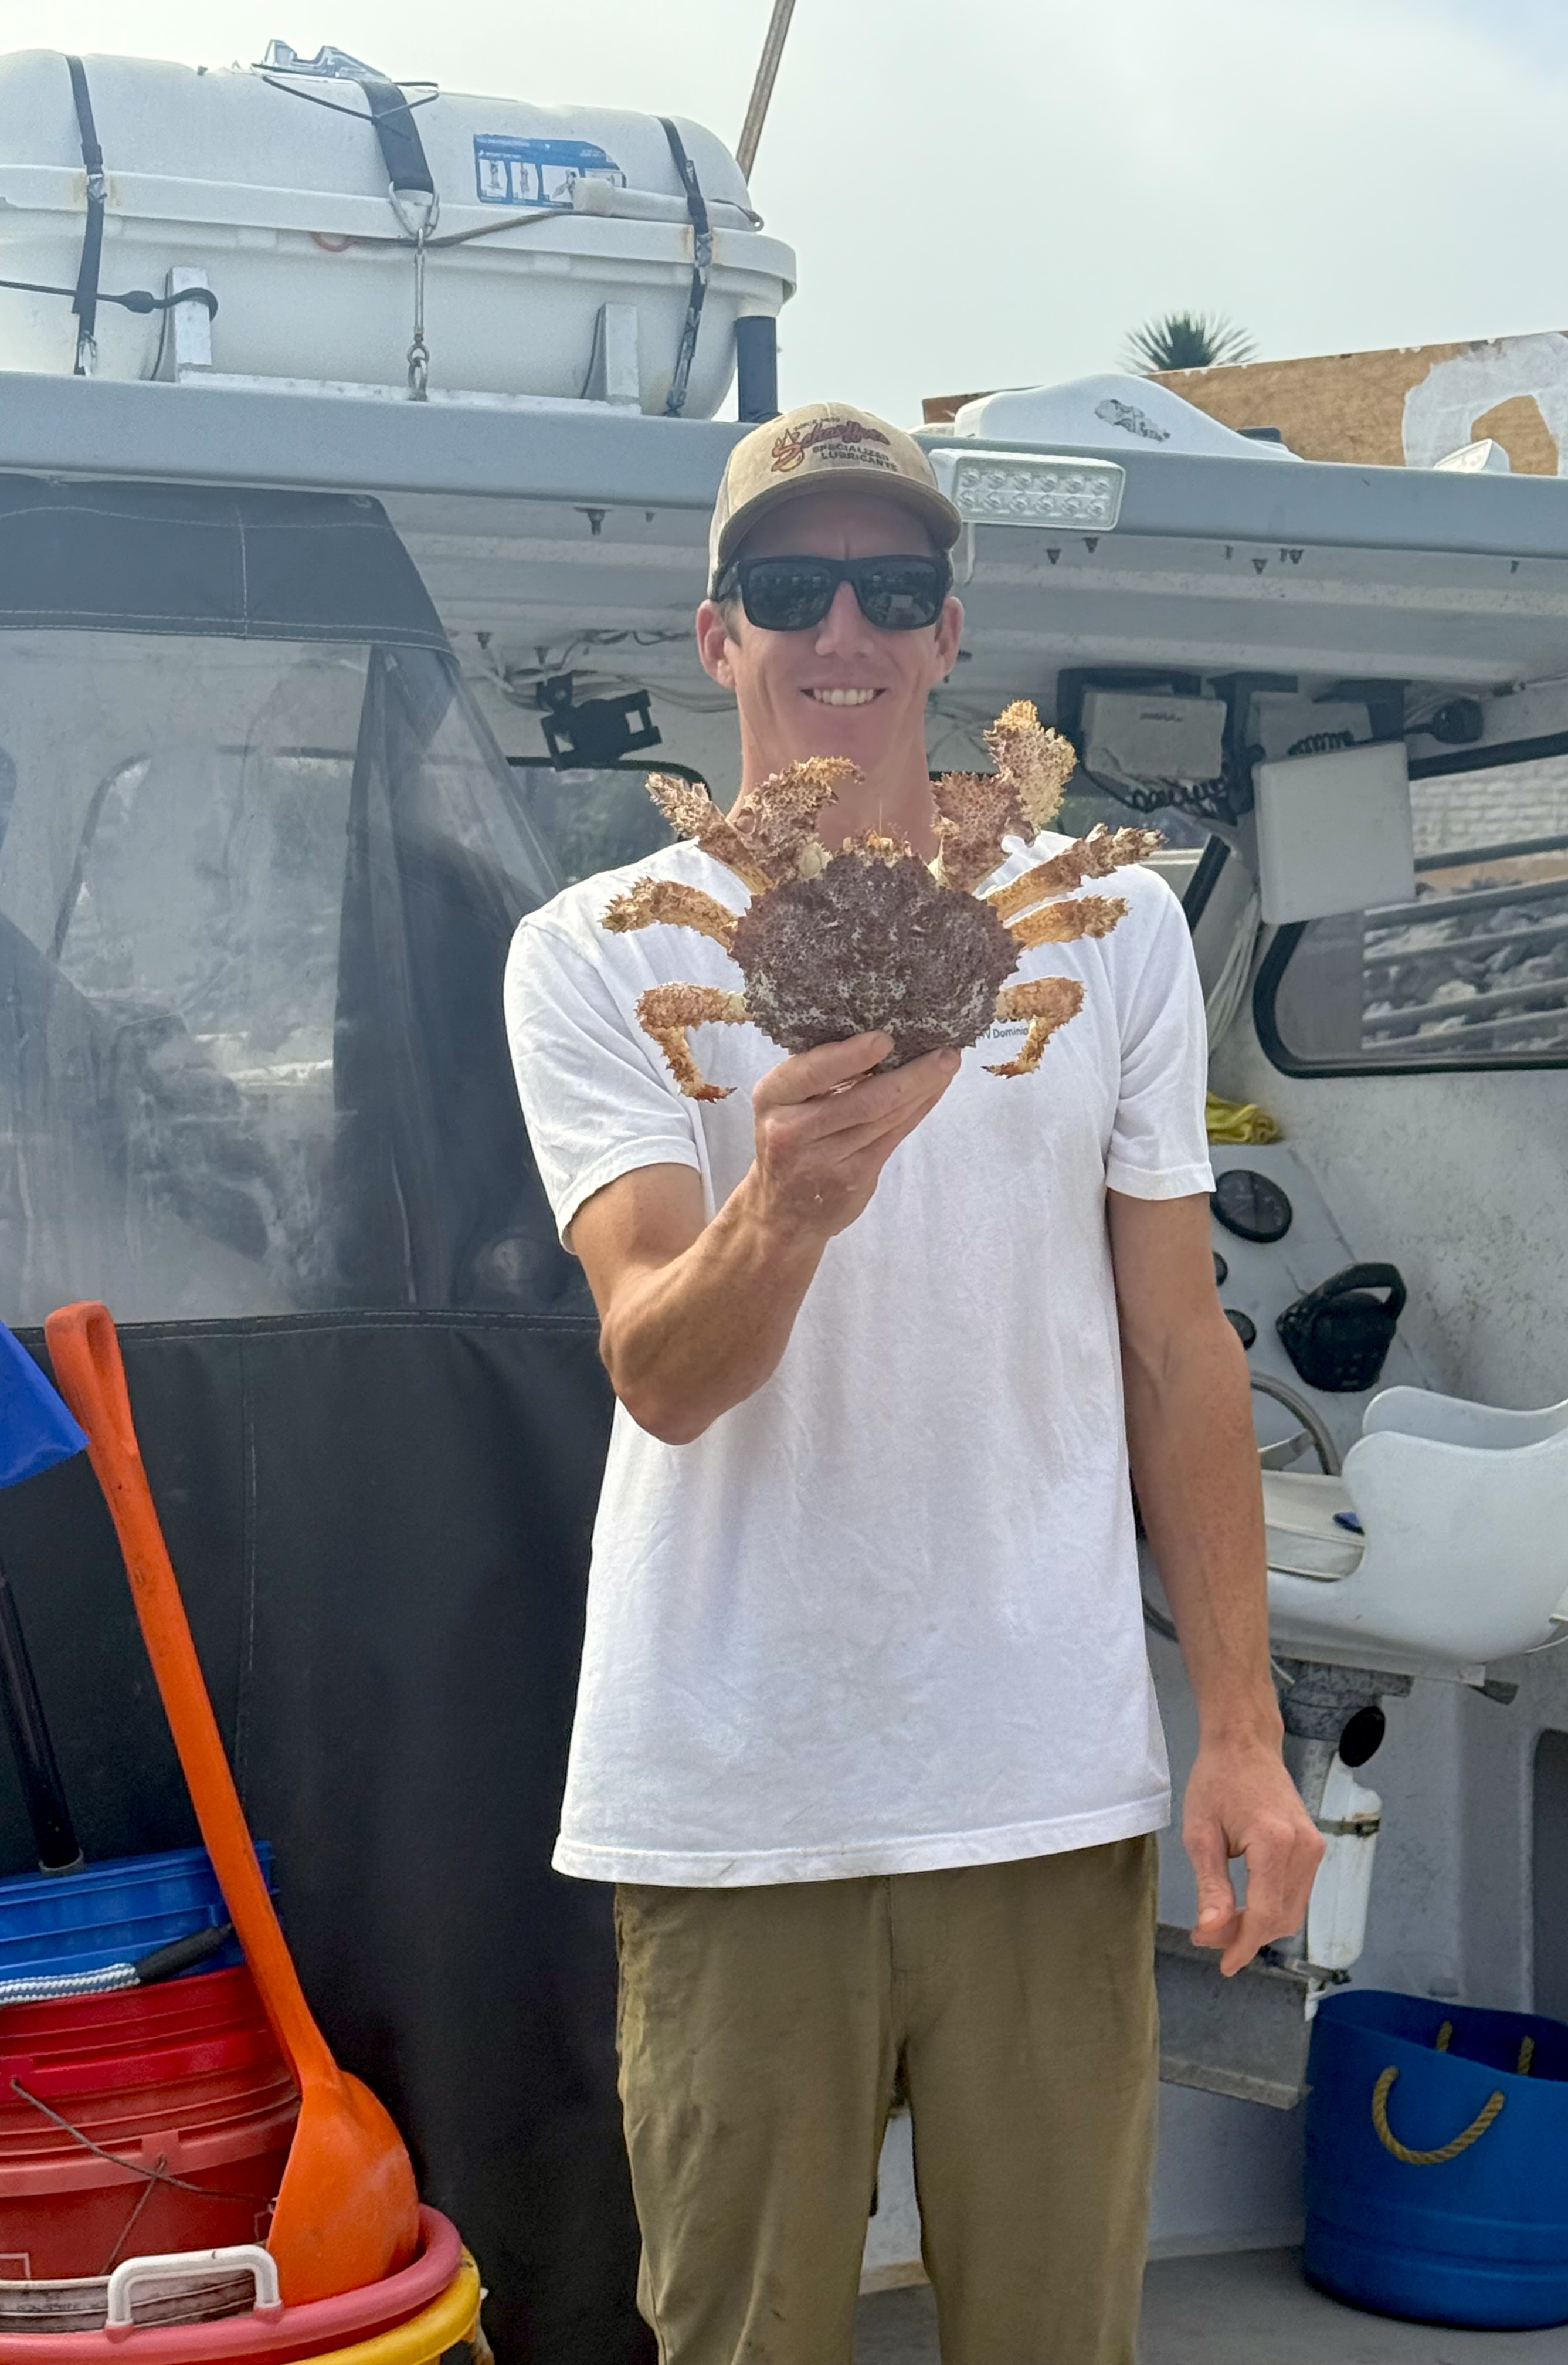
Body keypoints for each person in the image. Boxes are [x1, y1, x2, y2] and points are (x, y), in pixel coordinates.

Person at [504, 400, 1322, 2365]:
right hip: (734, 1789)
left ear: (956, 638)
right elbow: (663, 1376)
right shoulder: (614, 946)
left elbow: (1176, 1340)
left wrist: (1242, 1728)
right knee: (738, 2337)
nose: (843, 628)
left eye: (896, 587)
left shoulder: (1103, 924)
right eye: (791, 588)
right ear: (717, 636)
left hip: (1042, 1779)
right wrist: (786, 1197)